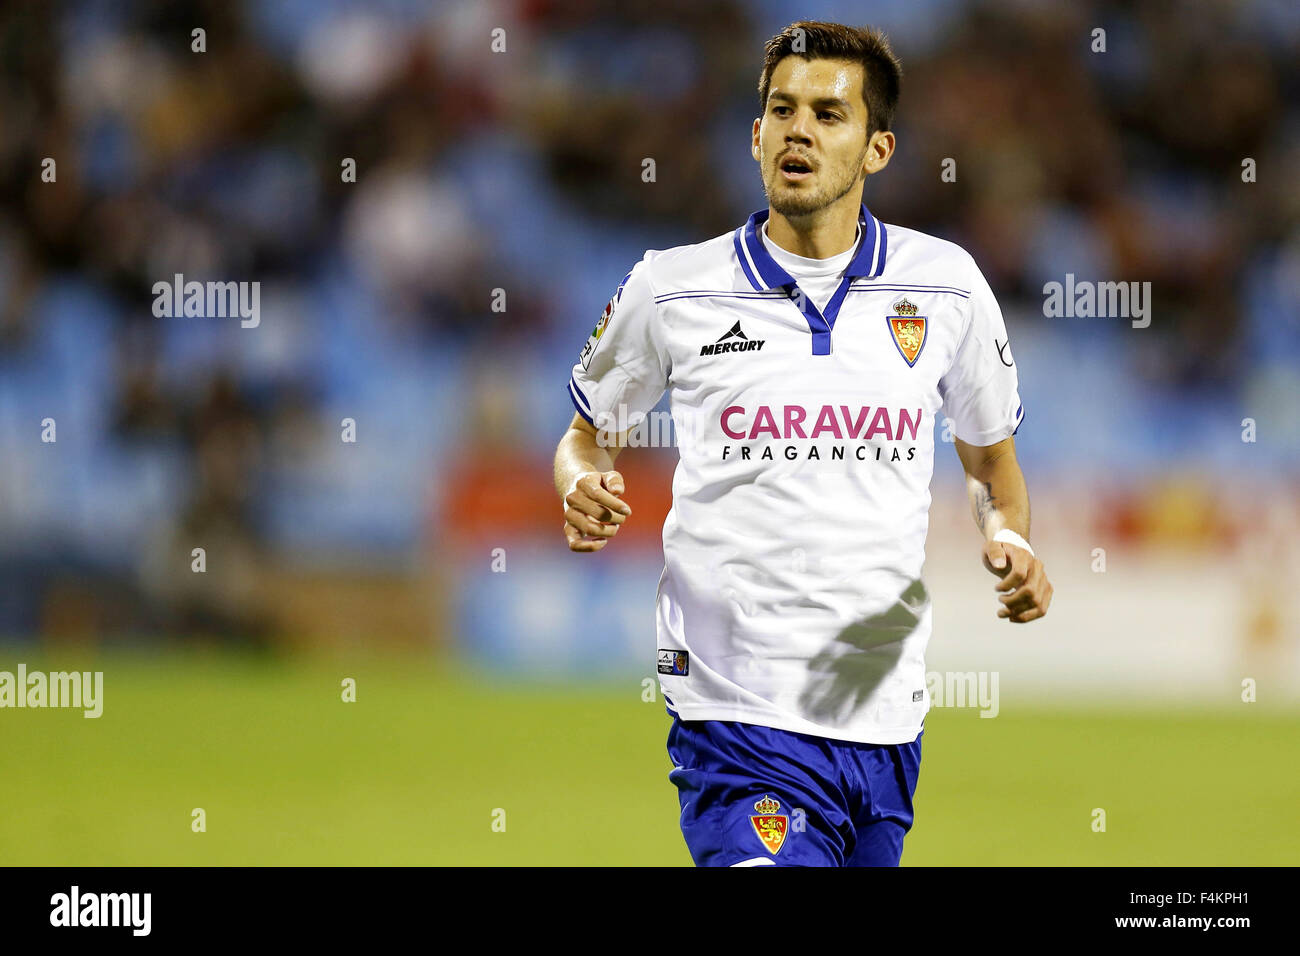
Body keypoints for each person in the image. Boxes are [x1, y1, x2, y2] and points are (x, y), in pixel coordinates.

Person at [552, 20, 1053, 866]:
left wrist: (1008, 538)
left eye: (829, 114)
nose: (800, 130)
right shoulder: (672, 289)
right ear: (755, 136)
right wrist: (578, 482)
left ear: (877, 147)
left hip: (883, 725)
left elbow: (990, 473)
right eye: (782, 110)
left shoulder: (946, 289)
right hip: (735, 721)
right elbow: (582, 441)